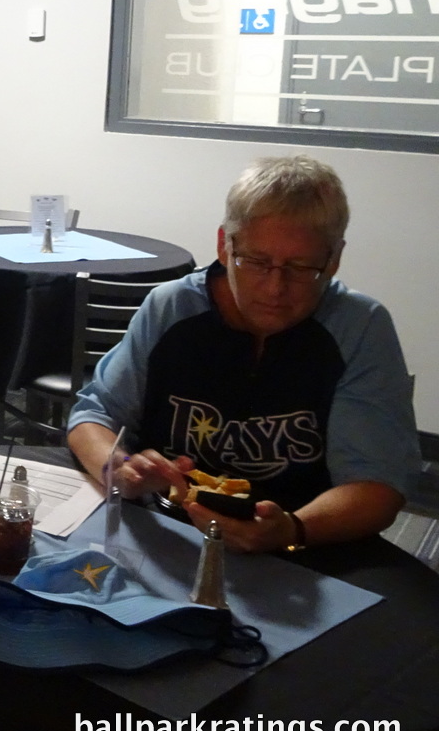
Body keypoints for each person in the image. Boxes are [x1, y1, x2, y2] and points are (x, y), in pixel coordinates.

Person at [68, 155, 419, 554]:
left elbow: (378, 485)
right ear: (224, 245)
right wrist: (117, 469)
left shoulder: (359, 326)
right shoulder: (171, 309)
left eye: (301, 267)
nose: (275, 288)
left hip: (303, 540)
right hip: (167, 528)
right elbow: (95, 414)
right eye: (256, 261)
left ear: (334, 259)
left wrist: (292, 530)